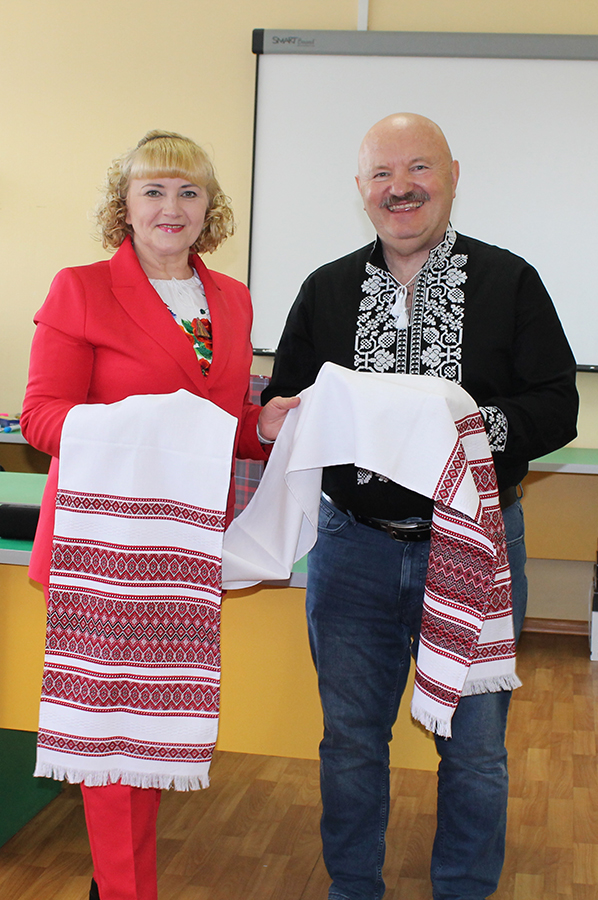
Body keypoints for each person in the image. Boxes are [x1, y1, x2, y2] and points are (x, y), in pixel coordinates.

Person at [262, 113, 579, 900]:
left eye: (419, 168)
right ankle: (352, 890)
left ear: (453, 175)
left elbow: (557, 406)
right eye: (382, 173)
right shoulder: (325, 288)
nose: (400, 188)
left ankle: (464, 890)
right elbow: (285, 396)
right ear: (361, 188)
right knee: (349, 742)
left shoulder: (511, 281)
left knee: (474, 750)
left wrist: (464, 425)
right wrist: (274, 414)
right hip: (352, 550)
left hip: (474, 544)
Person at [21, 130, 297, 900]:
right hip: (104, 550)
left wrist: (262, 425)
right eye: (153, 190)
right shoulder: (81, 288)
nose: (170, 207)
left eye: (188, 191)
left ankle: (119, 886)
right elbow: (42, 418)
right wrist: (147, 421)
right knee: (111, 740)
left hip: (182, 550)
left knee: (150, 737)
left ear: (210, 207)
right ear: (125, 205)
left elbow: (217, 423)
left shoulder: (232, 298)